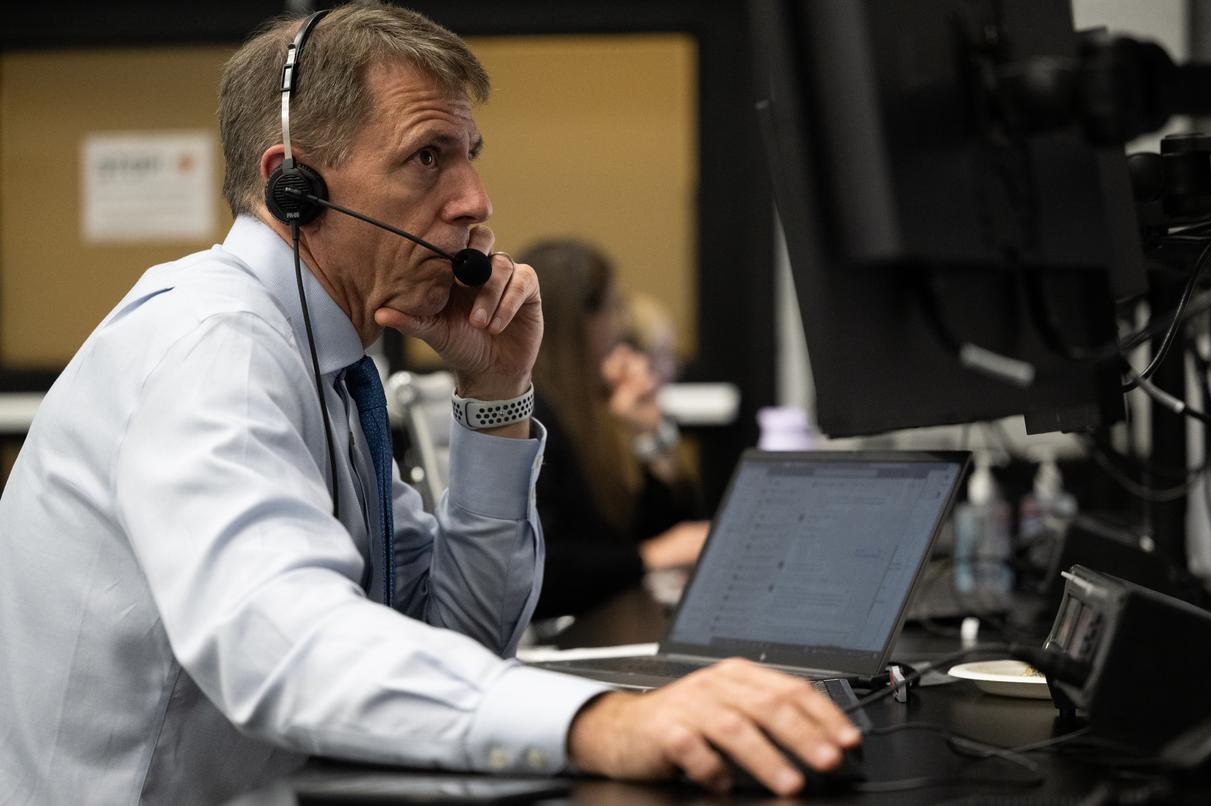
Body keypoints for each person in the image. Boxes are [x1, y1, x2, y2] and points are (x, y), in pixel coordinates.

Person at [0, 5, 859, 805]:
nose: (476, 201)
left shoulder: (331, 365)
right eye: (427, 157)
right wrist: (602, 721)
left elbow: (459, 632)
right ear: (296, 186)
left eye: (471, 154)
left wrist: (496, 396)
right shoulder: (213, 346)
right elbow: (283, 647)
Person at [523, 239, 709, 618]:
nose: (619, 325)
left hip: (607, 618)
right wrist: (650, 555)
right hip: (564, 633)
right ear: (580, 323)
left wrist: (652, 434)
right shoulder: (531, 418)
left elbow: (667, 528)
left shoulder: (592, 411)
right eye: (613, 308)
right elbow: (543, 568)